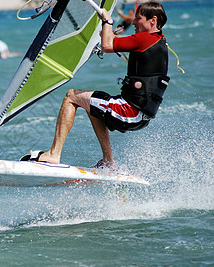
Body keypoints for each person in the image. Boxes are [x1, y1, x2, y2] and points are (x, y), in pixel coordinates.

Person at [31, 1, 169, 170]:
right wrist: (106, 29)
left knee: (71, 96)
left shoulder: (144, 38)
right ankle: (108, 162)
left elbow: (107, 45)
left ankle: (54, 154)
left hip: (129, 111)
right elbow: (113, 41)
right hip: (141, 116)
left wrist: (107, 22)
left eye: (138, 19)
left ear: (153, 20)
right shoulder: (159, 41)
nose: (133, 22)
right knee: (92, 103)